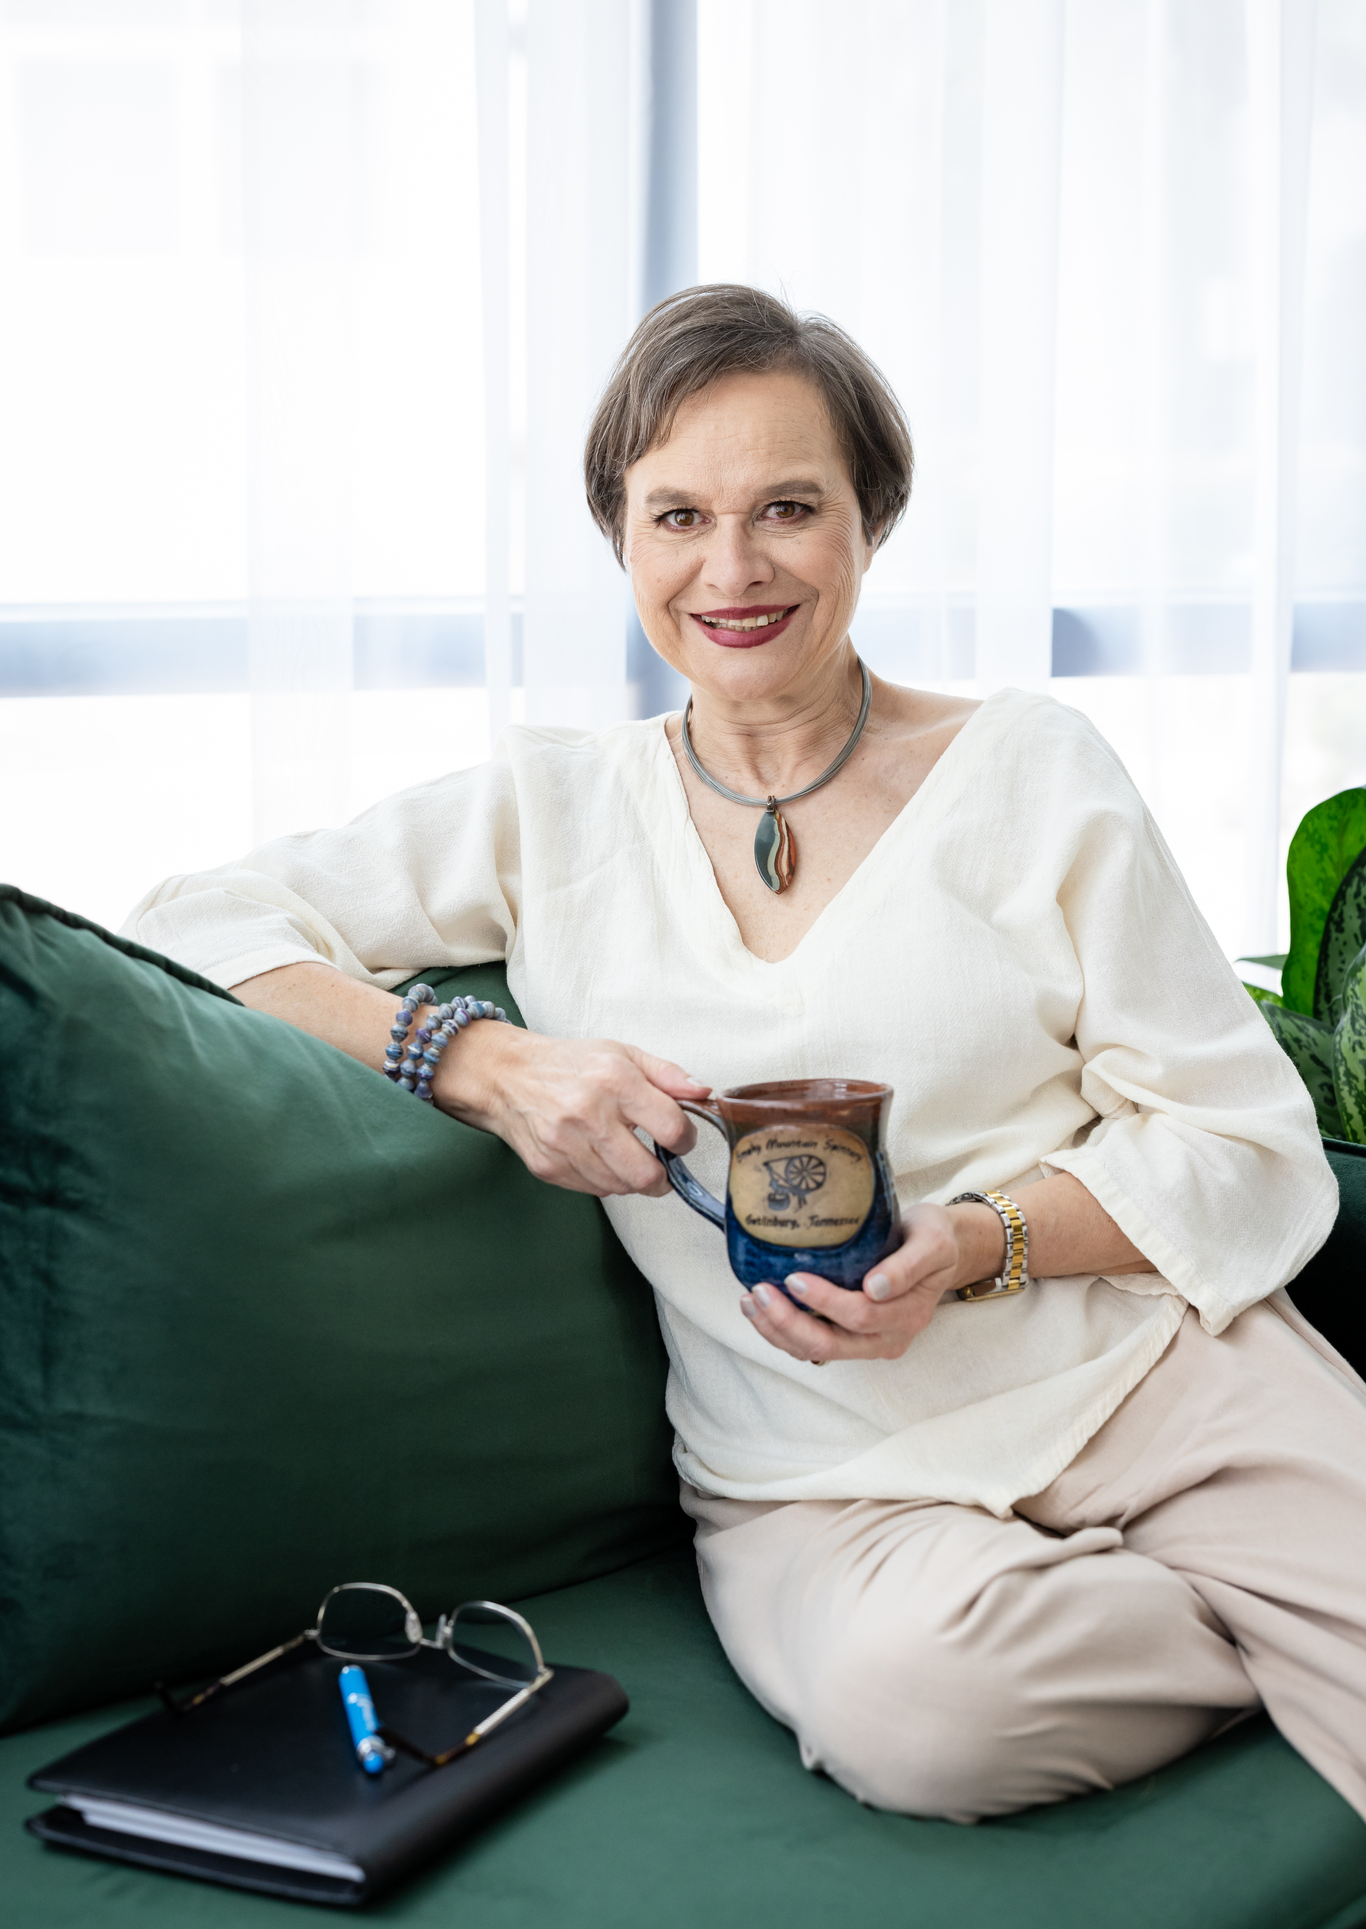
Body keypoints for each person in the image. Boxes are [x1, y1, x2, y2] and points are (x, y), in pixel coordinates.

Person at [125, 284, 1366, 1827]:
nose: (731, 569)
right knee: (922, 1719)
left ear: (868, 521)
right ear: (619, 538)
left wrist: (967, 1244)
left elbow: (1239, 1141)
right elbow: (192, 918)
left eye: (787, 507)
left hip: (1153, 1385)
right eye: (677, 517)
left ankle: (1246, 1591)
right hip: (821, 1477)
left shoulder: (1028, 772)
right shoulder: (551, 810)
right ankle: (1249, 1629)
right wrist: (482, 1062)